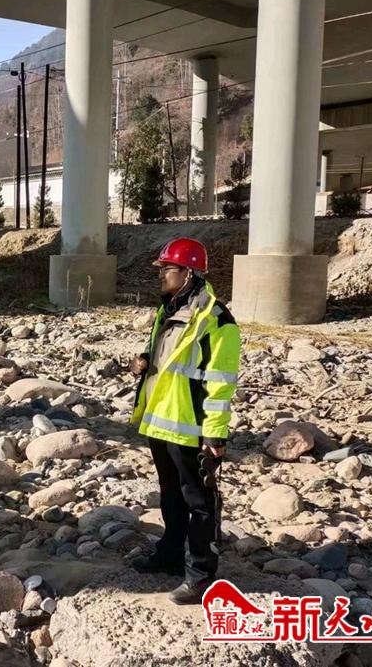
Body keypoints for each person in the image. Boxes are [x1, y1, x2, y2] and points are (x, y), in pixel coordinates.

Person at [128, 238, 241, 605]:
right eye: (161, 269)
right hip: (161, 422)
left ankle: (201, 576)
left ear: (188, 273)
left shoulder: (216, 321)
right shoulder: (169, 308)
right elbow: (166, 357)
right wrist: (144, 360)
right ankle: (170, 553)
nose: (161, 275)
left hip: (190, 426)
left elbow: (220, 383)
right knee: (170, 494)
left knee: (200, 502)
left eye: (167, 269)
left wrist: (215, 435)